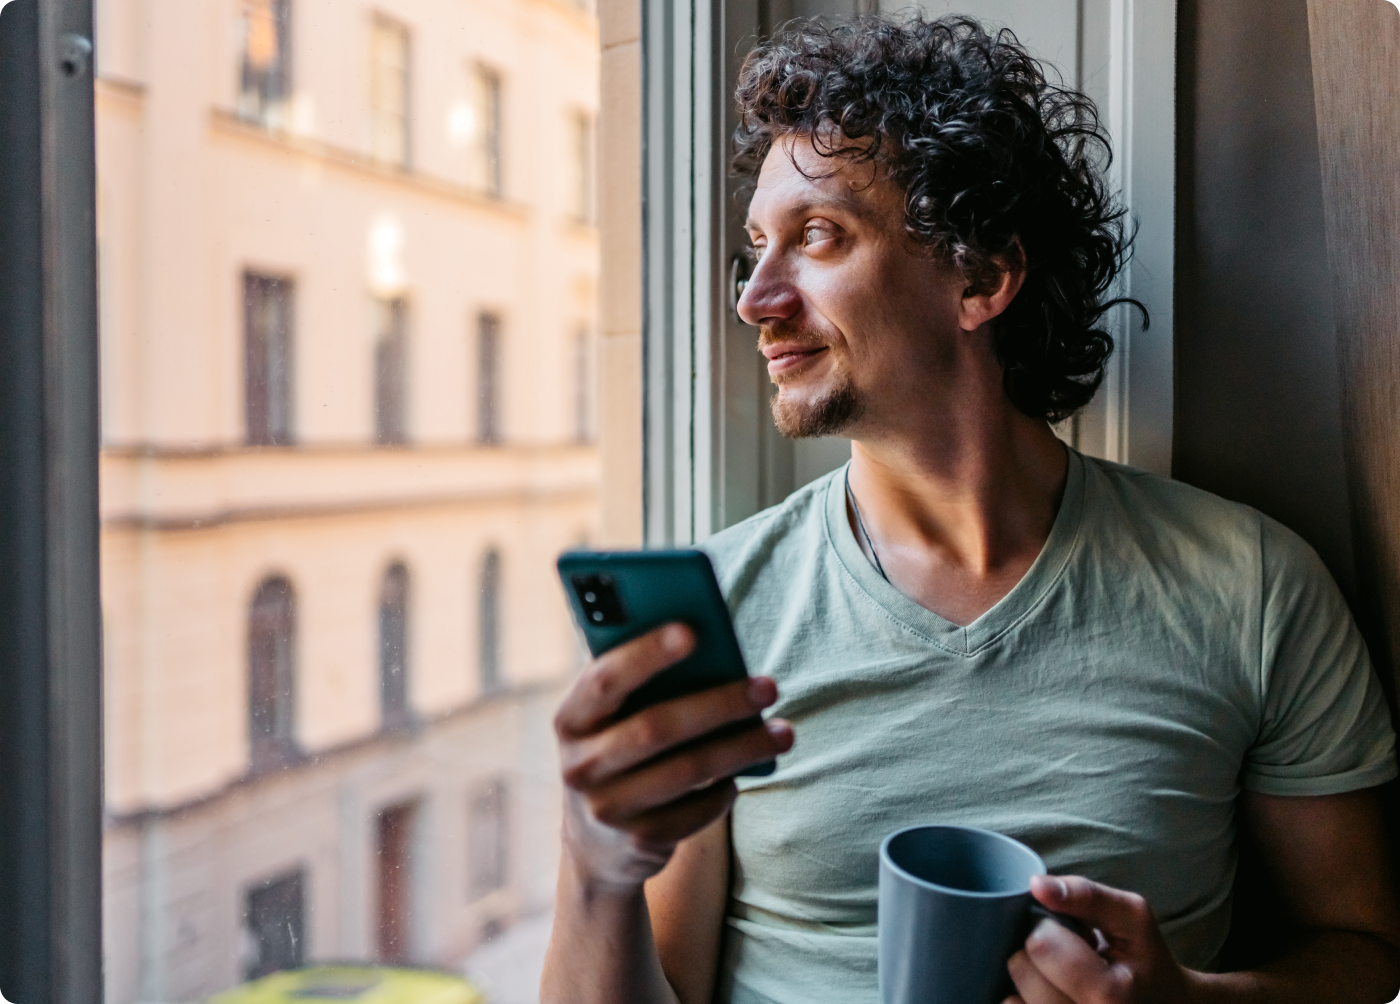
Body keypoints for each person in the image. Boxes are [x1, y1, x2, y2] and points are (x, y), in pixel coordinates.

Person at [540, 13, 1400, 1004]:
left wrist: (1187, 1002)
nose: (755, 298)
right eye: (755, 248)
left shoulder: (1250, 586)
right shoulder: (717, 616)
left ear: (981, 276)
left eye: (816, 235)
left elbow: (1364, 951)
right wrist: (595, 864)